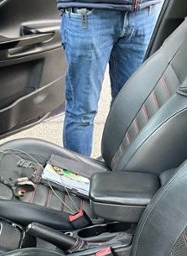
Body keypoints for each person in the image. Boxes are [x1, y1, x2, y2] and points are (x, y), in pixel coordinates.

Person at [57, 0, 162, 156]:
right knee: (82, 112)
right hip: (89, 13)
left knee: (130, 110)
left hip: (144, 12)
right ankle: (78, 171)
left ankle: (119, 170)